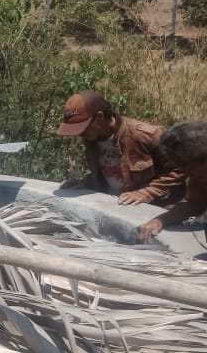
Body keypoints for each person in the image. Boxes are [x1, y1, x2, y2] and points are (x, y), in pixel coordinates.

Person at [56, 90, 185, 206]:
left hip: (153, 208)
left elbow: (180, 170)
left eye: (83, 129)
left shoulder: (145, 136)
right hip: (113, 205)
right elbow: (110, 172)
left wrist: (147, 192)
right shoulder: (92, 139)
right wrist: (87, 182)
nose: (80, 134)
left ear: (100, 117)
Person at [137, 121, 207, 243]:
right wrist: (160, 220)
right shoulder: (200, 176)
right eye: (181, 167)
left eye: (190, 167)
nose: (186, 173)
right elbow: (194, 204)